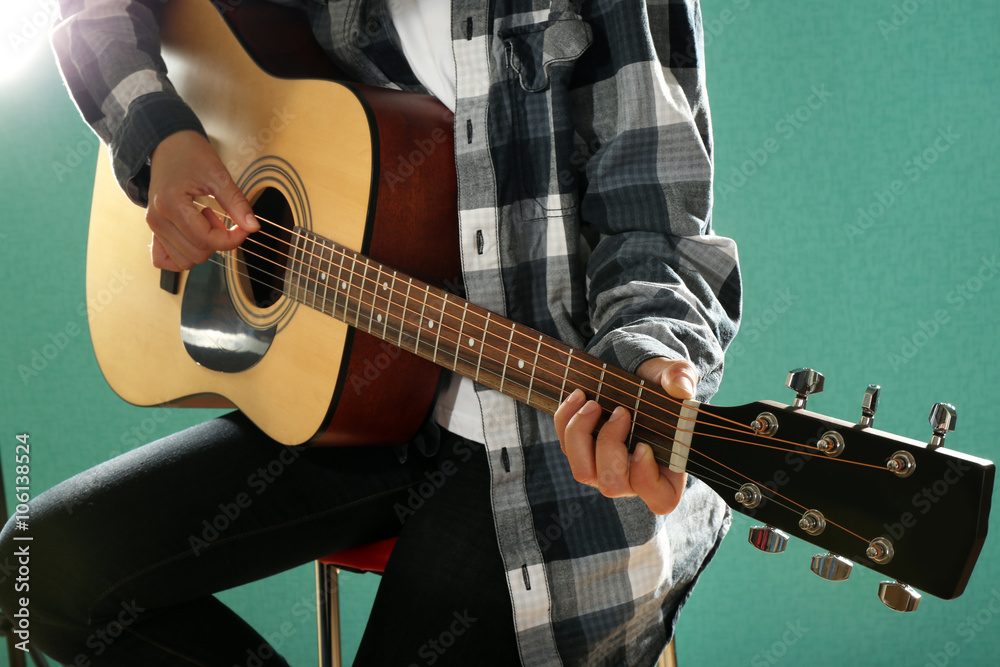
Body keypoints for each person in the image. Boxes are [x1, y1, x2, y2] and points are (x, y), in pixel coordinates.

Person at [0, 0, 741, 664]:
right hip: (364, 391)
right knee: (39, 571)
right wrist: (158, 136)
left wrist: (652, 355)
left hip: (542, 437)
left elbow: (654, 217)